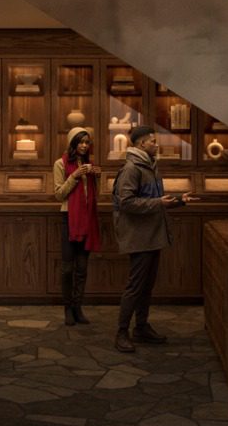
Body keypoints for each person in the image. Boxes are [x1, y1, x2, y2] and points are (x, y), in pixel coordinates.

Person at [112, 124, 190, 353]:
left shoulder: (150, 165)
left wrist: (178, 201)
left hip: (152, 235)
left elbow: (155, 200)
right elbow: (126, 202)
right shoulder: (131, 169)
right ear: (141, 144)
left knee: (146, 286)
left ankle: (141, 327)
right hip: (139, 237)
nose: (156, 144)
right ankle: (122, 332)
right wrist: (159, 202)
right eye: (152, 141)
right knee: (135, 286)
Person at [53, 126, 101, 325]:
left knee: (82, 268)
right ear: (72, 143)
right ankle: (67, 309)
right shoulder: (60, 163)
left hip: (86, 219)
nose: (84, 145)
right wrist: (74, 176)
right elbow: (59, 194)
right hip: (69, 218)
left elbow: (94, 195)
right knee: (67, 268)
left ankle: (77, 307)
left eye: (87, 142)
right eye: (80, 142)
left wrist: (96, 176)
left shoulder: (90, 163)